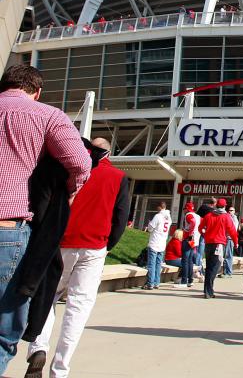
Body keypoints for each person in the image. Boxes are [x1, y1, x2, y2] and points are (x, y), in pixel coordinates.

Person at [0, 65, 91, 375]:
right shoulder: (47, 115)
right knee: (2, 330)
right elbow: (80, 163)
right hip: (8, 227)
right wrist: (66, 195)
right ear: (37, 92)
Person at [25, 137, 128, 378]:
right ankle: (60, 369)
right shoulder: (118, 177)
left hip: (61, 242)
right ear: (109, 152)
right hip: (94, 247)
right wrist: (107, 243)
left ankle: (38, 347)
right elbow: (121, 217)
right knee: (78, 307)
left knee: (47, 296)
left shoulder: (71, 168)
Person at [200, 198, 237, 299]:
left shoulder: (208, 216)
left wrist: (205, 235)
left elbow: (201, 228)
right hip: (219, 244)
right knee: (215, 267)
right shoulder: (226, 217)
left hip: (208, 243)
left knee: (209, 267)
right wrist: (236, 242)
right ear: (225, 206)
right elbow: (232, 230)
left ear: (216, 206)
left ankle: (207, 290)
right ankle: (208, 291)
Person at [144, 201, 171, 290]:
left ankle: (150, 283)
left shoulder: (158, 216)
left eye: (157, 207)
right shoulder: (168, 217)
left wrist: (149, 224)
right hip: (162, 243)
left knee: (151, 264)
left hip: (154, 243)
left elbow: (150, 228)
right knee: (158, 264)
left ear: (160, 207)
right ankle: (156, 282)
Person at [176, 202, 201, 288]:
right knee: (190, 260)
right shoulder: (197, 216)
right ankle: (190, 280)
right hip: (195, 240)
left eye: (184, 209)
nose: (183, 210)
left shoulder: (189, 215)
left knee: (185, 260)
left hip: (189, 239)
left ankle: (184, 281)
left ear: (187, 208)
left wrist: (189, 233)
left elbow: (193, 223)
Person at [196, 197, 216, 277]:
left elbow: (197, 216)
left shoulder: (202, 207)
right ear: (214, 204)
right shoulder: (212, 211)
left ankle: (198, 268)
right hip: (208, 232)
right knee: (205, 252)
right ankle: (200, 270)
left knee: (199, 252)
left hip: (200, 230)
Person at [222, 205, 238, 276]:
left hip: (230, 238)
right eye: (229, 210)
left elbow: (232, 229)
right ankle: (225, 271)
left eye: (231, 210)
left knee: (228, 255)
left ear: (234, 212)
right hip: (226, 238)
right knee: (225, 255)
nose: (229, 211)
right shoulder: (228, 217)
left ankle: (228, 272)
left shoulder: (234, 219)